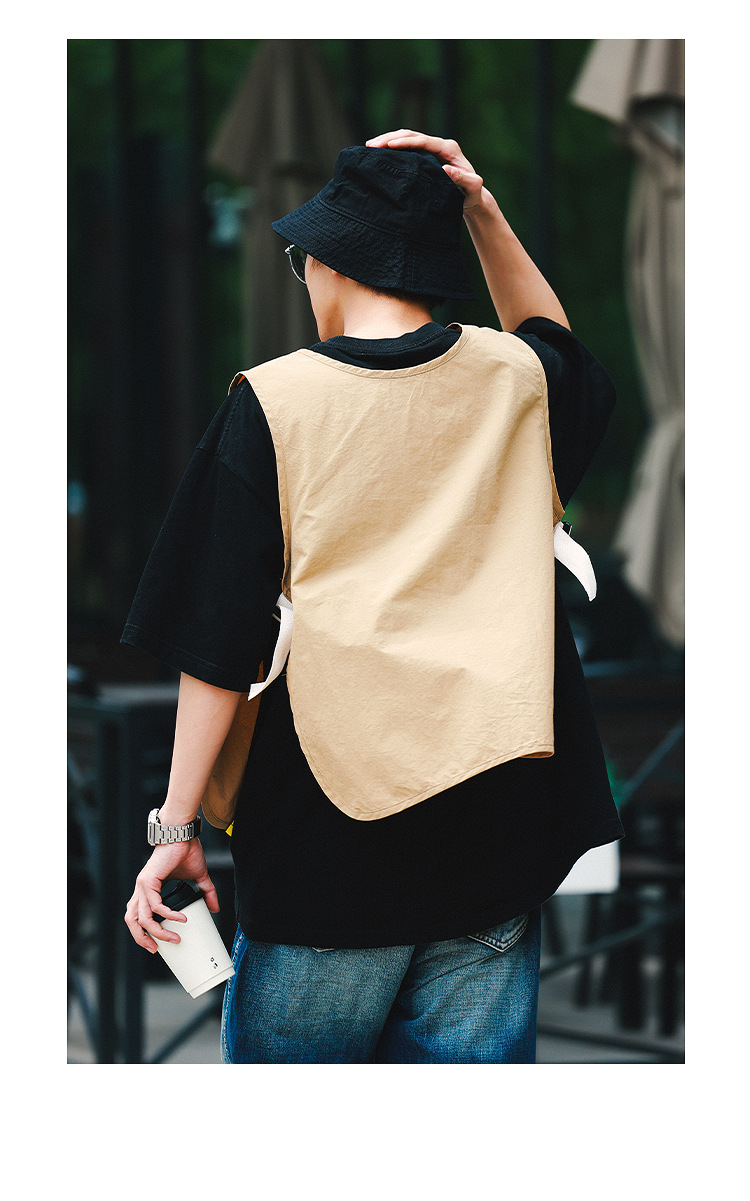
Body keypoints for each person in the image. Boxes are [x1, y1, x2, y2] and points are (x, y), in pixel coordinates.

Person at [123, 129, 624, 1064]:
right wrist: (481, 209)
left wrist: (177, 826)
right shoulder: (517, 382)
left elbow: (218, 640)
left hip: (326, 855)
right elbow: (555, 342)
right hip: (494, 839)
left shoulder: (275, 403)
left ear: (329, 259)